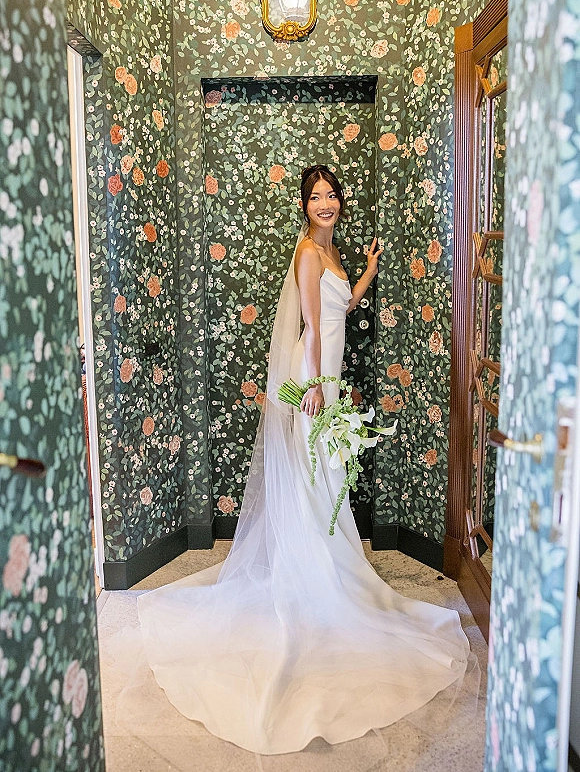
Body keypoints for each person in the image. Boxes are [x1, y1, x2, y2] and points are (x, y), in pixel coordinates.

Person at [131, 166, 472, 756]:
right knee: (316, 472)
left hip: (327, 376)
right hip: (314, 378)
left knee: (326, 474)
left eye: (332, 195)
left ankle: (328, 561)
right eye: (315, 197)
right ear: (303, 205)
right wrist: (314, 388)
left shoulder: (330, 253)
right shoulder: (307, 253)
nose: (325, 203)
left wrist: (364, 269)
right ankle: (311, 571)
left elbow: (343, 305)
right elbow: (314, 326)